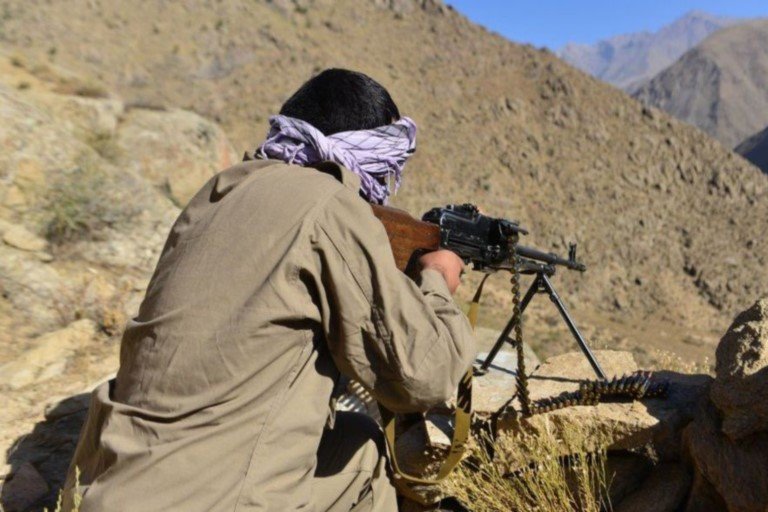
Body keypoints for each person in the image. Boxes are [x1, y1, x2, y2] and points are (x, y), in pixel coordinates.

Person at [63, 68, 475, 512]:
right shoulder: (329, 205)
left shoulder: (222, 188)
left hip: (106, 484)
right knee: (366, 459)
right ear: (367, 154)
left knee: (350, 437)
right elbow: (424, 377)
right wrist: (437, 281)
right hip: (210, 501)